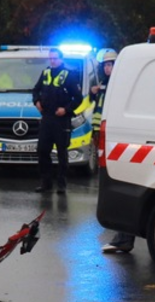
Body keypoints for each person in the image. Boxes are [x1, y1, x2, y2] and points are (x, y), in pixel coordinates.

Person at [91, 49, 136, 253]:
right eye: (106, 65)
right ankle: (124, 237)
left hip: (115, 141)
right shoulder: (106, 85)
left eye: (111, 64)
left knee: (121, 188)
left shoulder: (119, 85)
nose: (108, 68)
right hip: (105, 140)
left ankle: (124, 237)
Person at [31, 47, 82, 194]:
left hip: (61, 119)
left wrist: (66, 109)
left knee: (61, 152)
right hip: (47, 118)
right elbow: (35, 90)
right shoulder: (45, 73)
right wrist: (37, 101)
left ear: (61, 59)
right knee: (42, 151)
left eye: (55, 58)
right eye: (51, 58)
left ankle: (61, 184)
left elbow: (78, 98)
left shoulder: (69, 75)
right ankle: (45, 183)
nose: (52, 61)